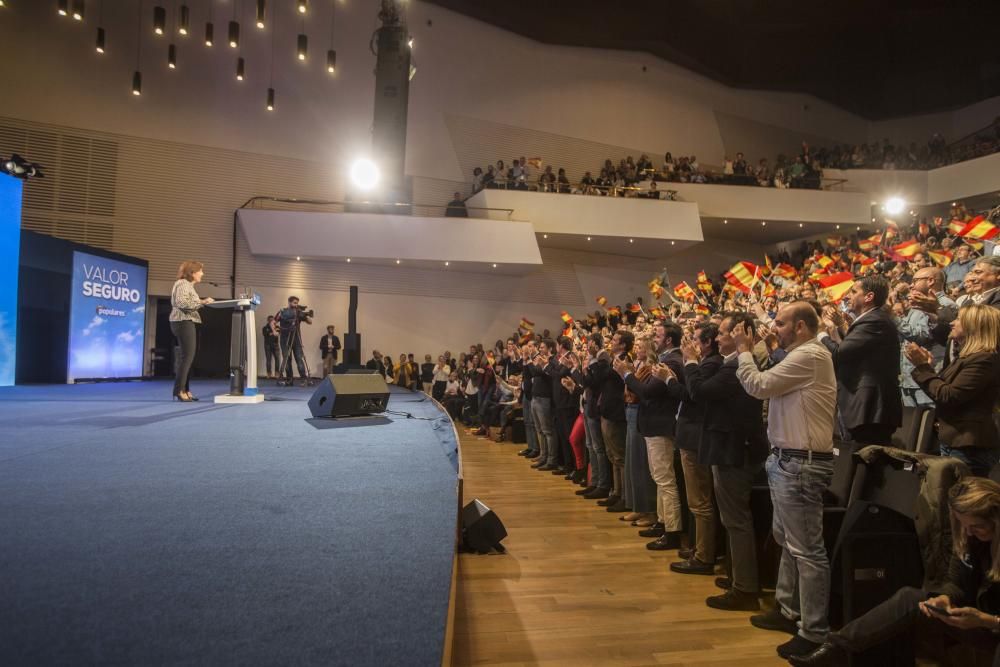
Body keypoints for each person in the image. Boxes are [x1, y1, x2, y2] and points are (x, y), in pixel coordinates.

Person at [789, 477, 1000, 666]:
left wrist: (986, 620)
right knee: (910, 598)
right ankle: (836, 649)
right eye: (964, 525)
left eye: (977, 526)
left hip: (993, 626)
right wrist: (944, 598)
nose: (969, 532)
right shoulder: (970, 538)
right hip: (978, 619)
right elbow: (957, 585)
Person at [733, 302, 838, 660]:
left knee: (807, 551)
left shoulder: (811, 355)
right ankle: (787, 609)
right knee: (788, 542)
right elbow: (771, 375)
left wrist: (744, 351)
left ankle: (814, 632)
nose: (773, 327)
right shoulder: (800, 355)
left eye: (780, 322)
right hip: (788, 461)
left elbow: (758, 385)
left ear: (802, 327)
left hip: (801, 464)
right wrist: (760, 350)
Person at [682, 313, 768, 602]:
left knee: (736, 520)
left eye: (721, 333)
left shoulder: (736, 368)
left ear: (740, 333)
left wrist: (691, 361)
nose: (716, 338)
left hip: (735, 451)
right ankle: (737, 577)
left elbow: (699, 391)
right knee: (732, 519)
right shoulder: (731, 365)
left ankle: (744, 589)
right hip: (729, 448)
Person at [905, 304, 1000, 476]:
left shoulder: (984, 360)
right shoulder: (967, 357)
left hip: (970, 447)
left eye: (958, 320)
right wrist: (928, 368)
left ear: (973, 326)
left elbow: (949, 395)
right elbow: (942, 389)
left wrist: (923, 367)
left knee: (963, 499)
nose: (952, 323)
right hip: (954, 441)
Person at [819, 275, 902, 445]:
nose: (846, 296)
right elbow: (848, 352)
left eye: (853, 292)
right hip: (863, 408)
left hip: (870, 409)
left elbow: (838, 354)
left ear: (868, 297)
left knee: (868, 464)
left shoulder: (874, 320)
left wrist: (820, 333)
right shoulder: (870, 320)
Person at [169, 260, 213, 401]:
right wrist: (202, 302)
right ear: (192, 272)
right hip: (182, 321)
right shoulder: (182, 284)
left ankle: (185, 390)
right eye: (200, 271)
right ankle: (179, 390)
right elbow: (181, 303)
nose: (202, 273)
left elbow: (187, 301)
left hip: (186, 321)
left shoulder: (188, 286)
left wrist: (200, 301)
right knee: (186, 358)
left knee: (187, 358)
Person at [276, 296, 312, 386]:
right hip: (285, 340)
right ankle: (289, 380)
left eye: (297, 303)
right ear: (289, 302)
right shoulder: (282, 312)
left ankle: (303, 379)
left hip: (296, 340)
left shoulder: (298, 312)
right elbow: (273, 322)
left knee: (299, 359)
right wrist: (274, 331)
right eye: (294, 303)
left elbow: (310, 322)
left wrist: (305, 315)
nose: (296, 305)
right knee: (287, 360)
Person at [261, 315, 281, 379]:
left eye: (273, 320)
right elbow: (265, 334)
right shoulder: (265, 328)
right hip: (268, 345)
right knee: (268, 360)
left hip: (275, 345)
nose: (272, 321)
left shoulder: (277, 327)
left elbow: (278, 333)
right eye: (270, 320)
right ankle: (269, 373)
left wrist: (272, 332)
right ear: (268, 321)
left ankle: (277, 373)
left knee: (277, 359)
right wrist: (273, 332)